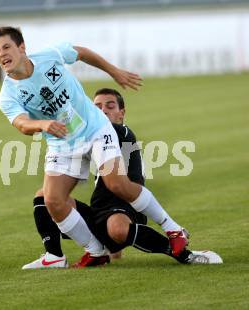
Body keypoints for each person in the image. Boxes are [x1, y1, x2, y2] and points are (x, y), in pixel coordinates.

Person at [0, 27, 188, 264]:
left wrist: (114, 72)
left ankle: (173, 229)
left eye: (6, 47)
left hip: (94, 129)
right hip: (62, 144)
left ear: (22, 47)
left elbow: (81, 53)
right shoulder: (7, 95)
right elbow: (21, 124)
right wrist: (43, 124)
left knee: (117, 184)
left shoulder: (49, 55)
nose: (2, 54)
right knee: (53, 201)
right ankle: (94, 252)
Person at [22, 88, 222, 269]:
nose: (103, 111)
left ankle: (186, 255)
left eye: (110, 106)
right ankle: (55, 256)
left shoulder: (121, 132)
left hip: (127, 208)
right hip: (99, 211)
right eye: (97, 107)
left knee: (117, 228)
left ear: (122, 113)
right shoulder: (97, 138)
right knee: (45, 196)